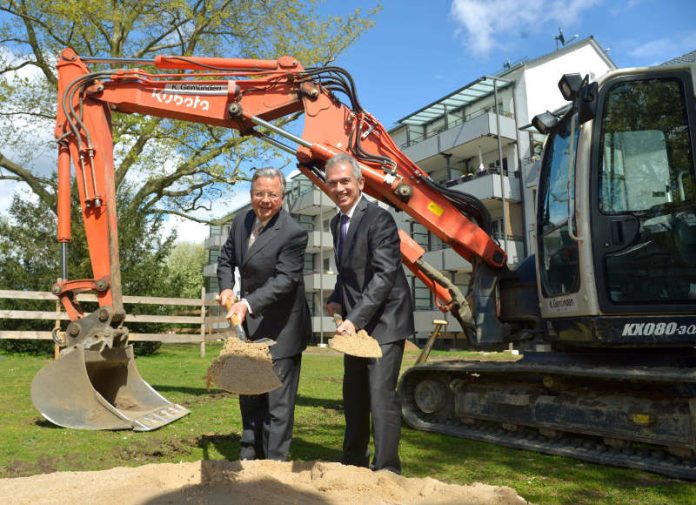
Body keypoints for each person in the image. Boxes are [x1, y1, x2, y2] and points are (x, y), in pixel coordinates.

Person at [324, 153, 415, 474]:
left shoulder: (379, 219)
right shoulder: (337, 223)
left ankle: (388, 469)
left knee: (380, 397)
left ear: (360, 183)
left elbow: (384, 274)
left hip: (386, 322)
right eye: (332, 183)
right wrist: (337, 299)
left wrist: (353, 319)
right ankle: (352, 464)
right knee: (354, 397)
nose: (339, 188)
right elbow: (349, 274)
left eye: (345, 181)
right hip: (357, 325)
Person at [217, 167, 312, 461]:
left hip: (283, 329)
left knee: (276, 403)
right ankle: (249, 454)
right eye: (260, 194)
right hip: (251, 330)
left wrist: (246, 304)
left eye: (272, 194)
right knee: (250, 395)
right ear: (251, 195)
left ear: (282, 198)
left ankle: (274, 465)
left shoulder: (294, 234)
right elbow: (225, 259)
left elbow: (285, 281)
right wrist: (226, 289)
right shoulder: (241, 222)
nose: (266, 200)